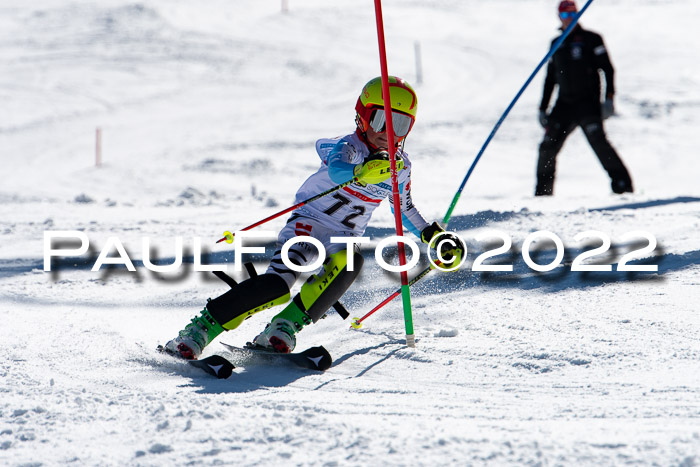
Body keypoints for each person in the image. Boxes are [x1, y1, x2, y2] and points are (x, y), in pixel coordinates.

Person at [164, 76, 465, 359]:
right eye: (380, 119)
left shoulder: (401, 167)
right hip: (307, 226)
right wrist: (360, 173)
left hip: (343, 238)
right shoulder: (349, 147)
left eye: (400, 124)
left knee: (350, 264)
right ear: (362, 116)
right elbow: (336, 169)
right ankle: (201, 328)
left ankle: (284, 326)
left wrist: (433, 235)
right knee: (277, 286)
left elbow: (404, 209)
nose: (389, 132)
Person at [536, 0, 633, 196]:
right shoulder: (556, 43)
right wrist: (542, 108)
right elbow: (550, 78)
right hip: (564, 105)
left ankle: (623, 186)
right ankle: (543, 195)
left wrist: (609, 98)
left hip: (587, 104)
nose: (569, 19)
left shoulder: (592, 39)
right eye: (565, 15)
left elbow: (607, 68)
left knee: (599, 143)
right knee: (547, 147)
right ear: (559, 17)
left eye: (573, 14)